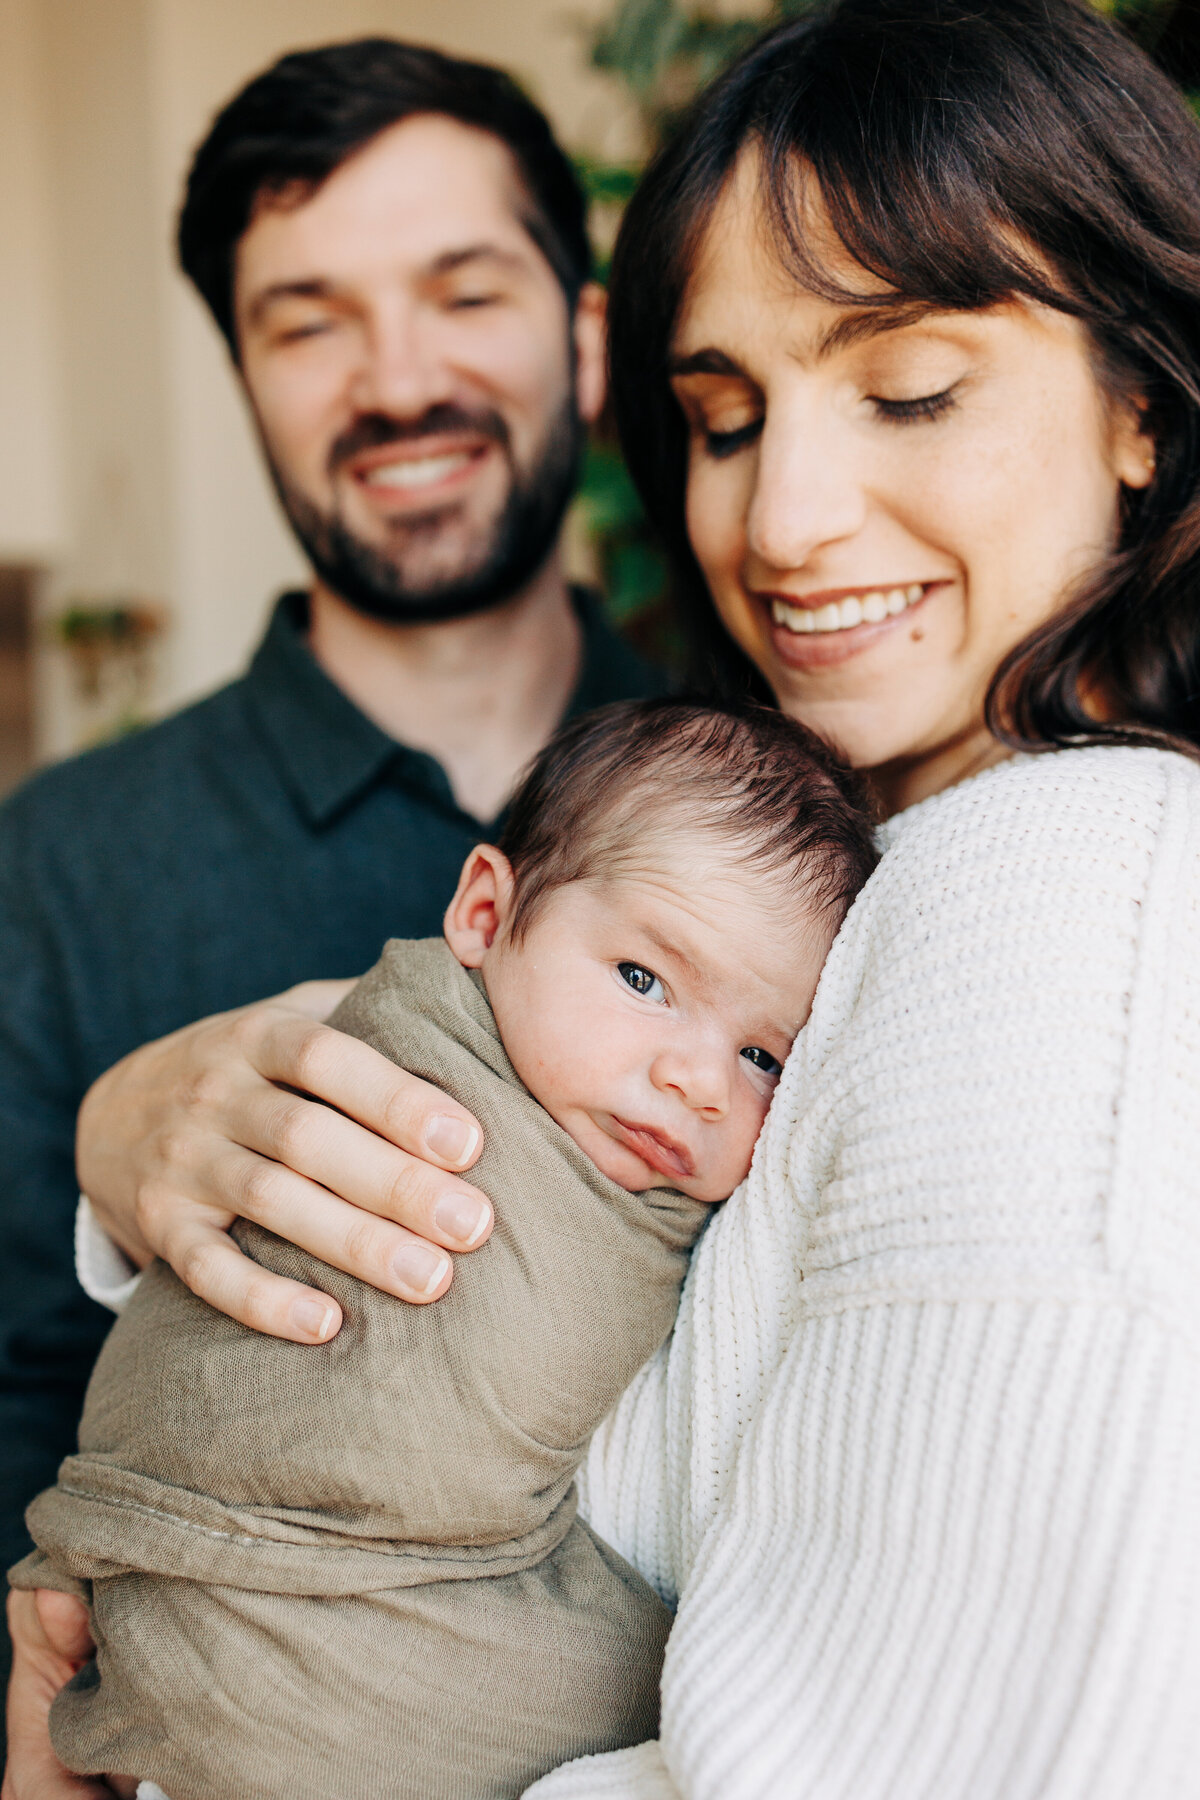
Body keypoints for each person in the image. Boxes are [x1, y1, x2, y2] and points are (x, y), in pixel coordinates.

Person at [11, 0, 1200, 1792]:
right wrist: (119, 1161)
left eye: (909, 388)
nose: (792, 519)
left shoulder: (938, 861)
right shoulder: (68, 857)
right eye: (728, 417)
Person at [0, 33, 666, 1687]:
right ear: (245, 377)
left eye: (462, 291)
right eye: (308, 322)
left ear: (585, 344)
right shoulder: (57, 867)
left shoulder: (801, 791)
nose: (395, 382)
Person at [15, 699, 874, 1800]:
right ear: (480, 915)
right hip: (231, 1589)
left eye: (763, 1054)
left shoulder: (673, 746)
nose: (697, 1080)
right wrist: (109, 1139)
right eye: (644, 981)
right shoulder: (412, 1062)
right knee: (696, 1685)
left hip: (214, 1646)